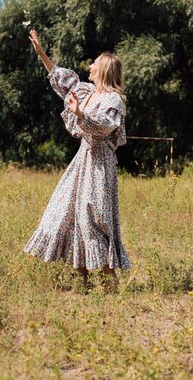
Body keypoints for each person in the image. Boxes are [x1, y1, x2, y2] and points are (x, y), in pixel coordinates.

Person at [23, 29, 131, 289]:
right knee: (67, 211)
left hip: (99, 163)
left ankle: (108, 280)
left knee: (91, 216)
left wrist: (81, 115)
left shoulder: (113, 100)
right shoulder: (87, 91)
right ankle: (80, 277)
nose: (90, 67)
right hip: (82, 160)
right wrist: (42, 54)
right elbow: (63, 82)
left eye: (94, 64)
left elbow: (105, 126)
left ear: (104, 70)